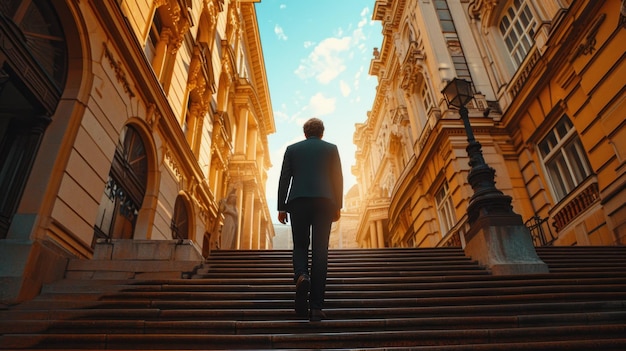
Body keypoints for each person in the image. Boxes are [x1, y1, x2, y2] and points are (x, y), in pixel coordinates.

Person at [277, 118, 343, 322]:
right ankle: (316, 307)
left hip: (298, 201)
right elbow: (337, 178)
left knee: (300, 245)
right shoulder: (331, 149)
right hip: (325, 201)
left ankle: (301, 275)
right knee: (320, 250)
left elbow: (284, 177)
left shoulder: (292, 149)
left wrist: (281, 206)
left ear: (305, 133)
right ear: (322, 133)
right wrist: (338, 206)